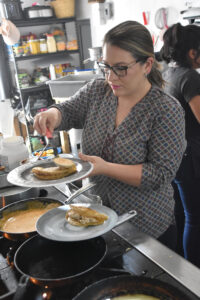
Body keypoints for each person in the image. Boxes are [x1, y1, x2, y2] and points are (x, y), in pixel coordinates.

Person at [34, 21, 185, 248]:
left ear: (147, 65)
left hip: (147, 228)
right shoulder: (97, 91)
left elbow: (160, 174)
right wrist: (53, 114)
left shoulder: (165, 110)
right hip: (97, 219)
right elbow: (69, 110)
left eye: (121, 68)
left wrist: (104, 168)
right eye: (106, 66)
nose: (111, 78)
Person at [160, 22, 200, 268]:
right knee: (195, 218)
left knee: (180, 214)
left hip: (174, 154)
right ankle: (194, 275)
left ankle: (179, 266)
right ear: (192, 52)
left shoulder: (168, 72)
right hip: (190, 157)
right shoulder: (190, 77)